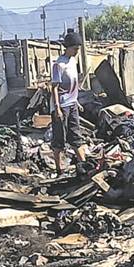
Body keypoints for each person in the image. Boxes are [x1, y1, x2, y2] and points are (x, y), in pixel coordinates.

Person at [50, 29, 85, 172]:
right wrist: (57, 108)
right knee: (60, 139)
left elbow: (74, 84)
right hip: (62, 105)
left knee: (76, 136)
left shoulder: (73, 61)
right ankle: (59, 169)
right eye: (75, 49)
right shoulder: (59, 65)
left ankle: (85, 166)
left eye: (78, 49)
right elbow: (54, 87)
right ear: (68, 48)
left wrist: (76, 101)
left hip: (72, 104)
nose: (77, 51)